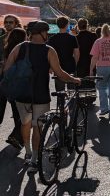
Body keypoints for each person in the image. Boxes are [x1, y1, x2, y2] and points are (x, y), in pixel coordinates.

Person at [4, 20, 81, 174]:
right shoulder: (49, 50)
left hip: (22, 94)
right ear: (42, 33)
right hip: (40, 94)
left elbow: (7, 69)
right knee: (37, 127)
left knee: (25, 123)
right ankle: (34, 161)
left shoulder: (20, 47)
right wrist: (74, 80)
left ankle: (28, 152)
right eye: (46, 32)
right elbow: (59, 73)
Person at [1, 27, 27, 149]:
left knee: (15, 110)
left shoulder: (7, 48)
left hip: (10, 83)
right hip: (22, 83)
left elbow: (6, 67)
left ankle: (18, 137)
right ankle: (17, 136)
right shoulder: (24, 48)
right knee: (22, 113)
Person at [90, 24, 110, 118]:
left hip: (102, 67)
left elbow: (95, 57)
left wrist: (91, 69)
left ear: (102, 32)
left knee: (102, 88)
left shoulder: (98, 41)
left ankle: (104, 109)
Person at [48, 16, 80, 91]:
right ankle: (71, 103)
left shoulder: (52, 39)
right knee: (72, 92)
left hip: (57, 66)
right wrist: (75, 63)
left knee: (60, 91)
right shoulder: (72, 38)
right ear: (67, 24)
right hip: (70, 65)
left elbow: (49, 54)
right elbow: (77, 53)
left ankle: (60, 103)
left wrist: (51, 66)